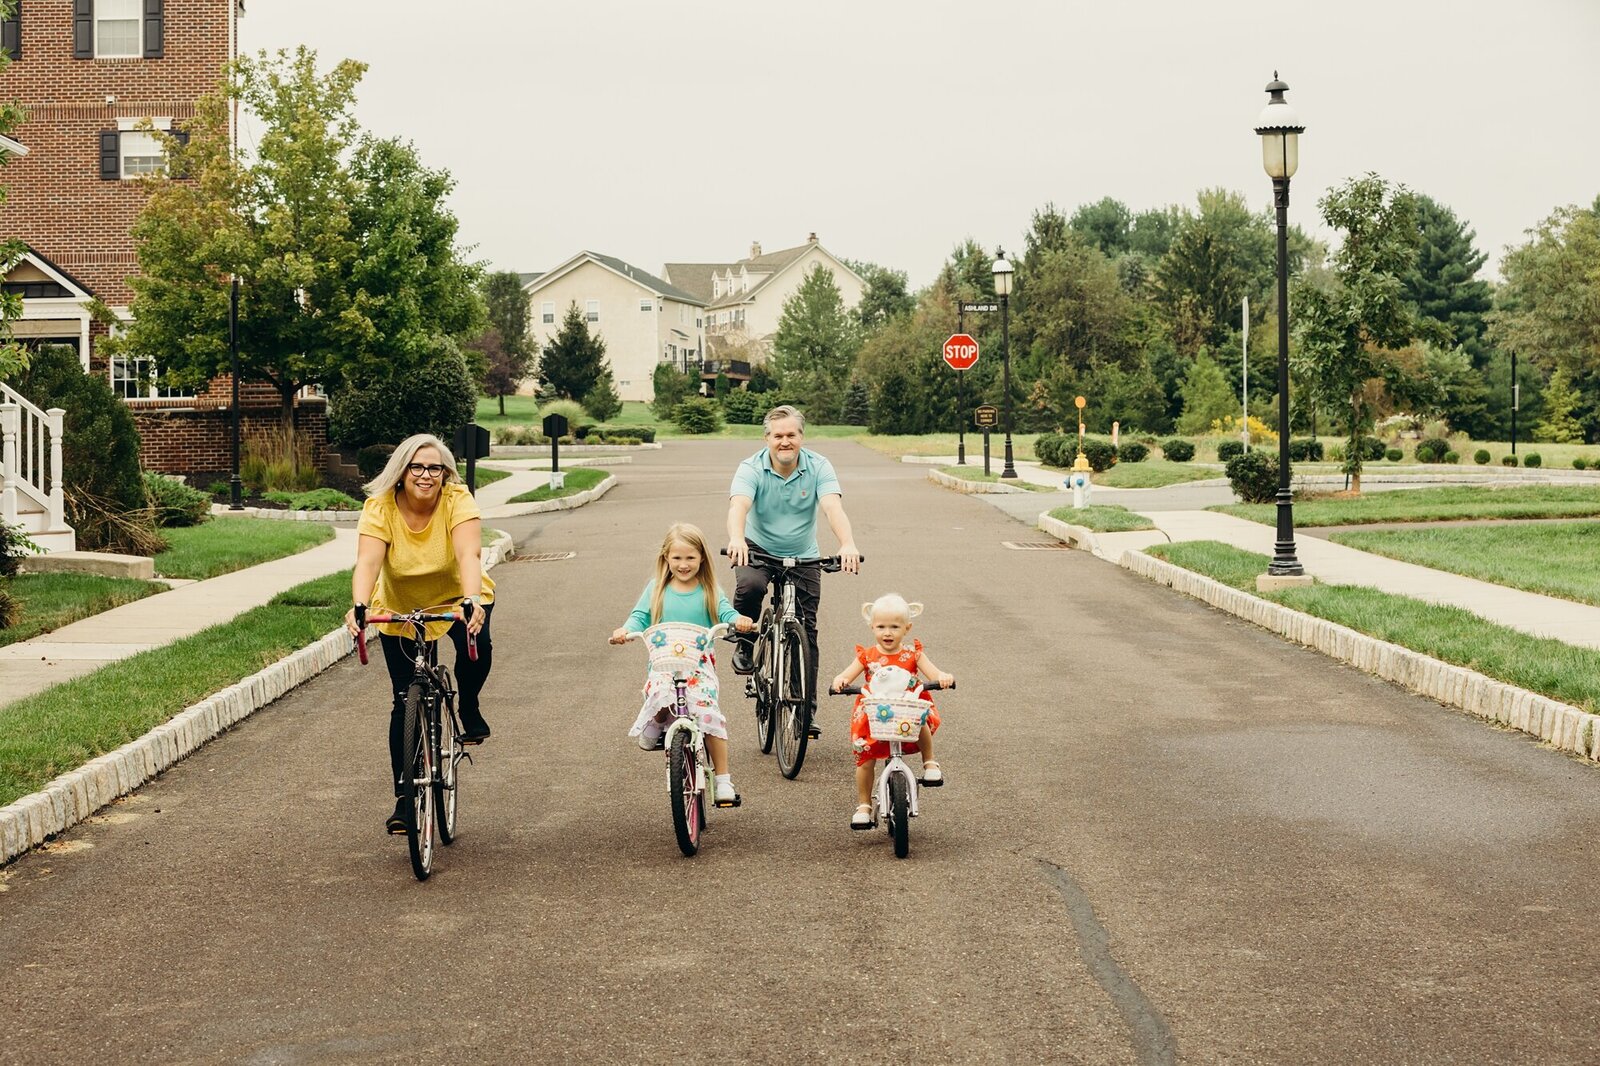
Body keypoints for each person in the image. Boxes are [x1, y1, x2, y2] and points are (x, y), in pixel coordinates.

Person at [345, 433, 494, 835]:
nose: (426, 475)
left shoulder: (457, 500)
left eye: (435, 468)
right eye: (417, 467)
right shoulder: (380, 507)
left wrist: (471, 599)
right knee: (402, 699)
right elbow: (368, 561)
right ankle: (406, 799)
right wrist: (360, 604)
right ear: (402, 471)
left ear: (445, 473)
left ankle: (469, 707)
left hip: (458, 595)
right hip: (400, 605)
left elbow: (468, 554)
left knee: (476, 647)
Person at [726, 404, 860, 738]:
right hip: (757, 548)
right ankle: (744, 641)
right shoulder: (751, 467)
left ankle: (804, 713)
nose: (784, 441)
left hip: (803, 555)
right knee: (751, 586)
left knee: (807, 632)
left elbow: (832, 507)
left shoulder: (819, 466)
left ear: (801, 436)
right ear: (767, 438)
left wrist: (847, 544)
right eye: (777, 436)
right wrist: (735, 539)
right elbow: (738, 505)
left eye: (791, 435)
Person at [611, 523, 754, 806]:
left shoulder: (709, 589)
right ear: (666, 558)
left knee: (708, 713)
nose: (683, 564)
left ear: (702, 558)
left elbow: (725, 611)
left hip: (698, 666)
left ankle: (724, 779)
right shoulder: (657, 589)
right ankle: (659, 720)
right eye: (676, 558)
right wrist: (625, 631)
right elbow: (639, 616)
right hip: (665, 663)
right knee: (659, 691)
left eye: (690, 557)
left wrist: (738, 619)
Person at [829, 593, 953, 829]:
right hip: (875, 713)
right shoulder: (867, 656)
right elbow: (847, 673)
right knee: (865, 758)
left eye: (895, 627)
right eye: (881, 627)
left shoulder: (912, 655)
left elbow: (933, 673)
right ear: (872, 626)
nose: (887, 632)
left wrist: (943, 677)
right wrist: (841, 680)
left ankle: (930, 762)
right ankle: (864, 805)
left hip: (907, 709)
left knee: (921, 719)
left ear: (907, 628)